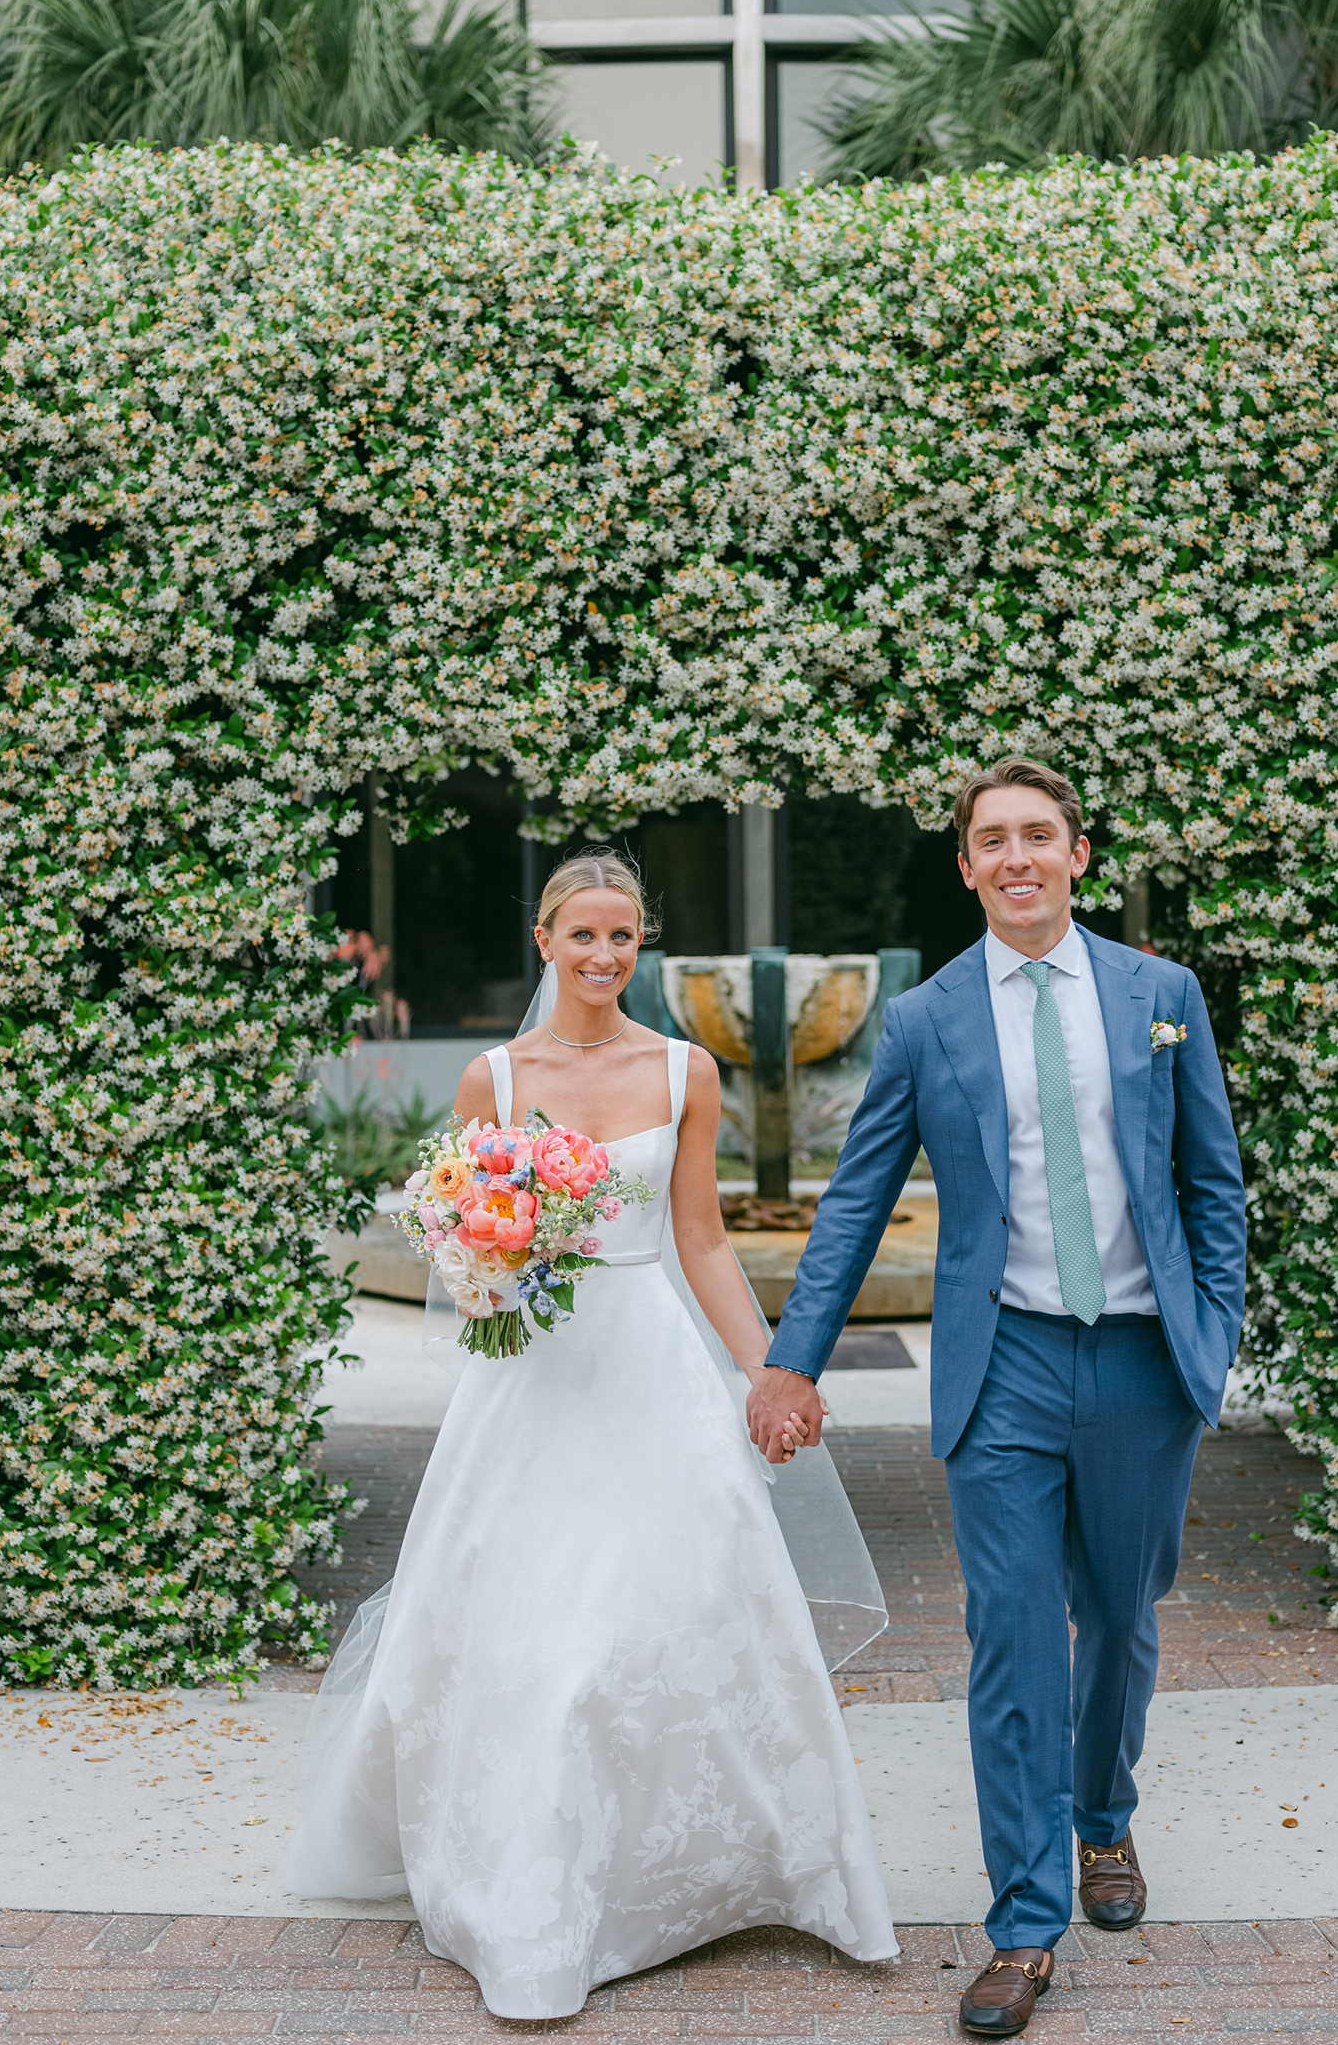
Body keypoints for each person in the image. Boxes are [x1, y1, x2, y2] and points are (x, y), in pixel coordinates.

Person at [290, 851, 896, 2020]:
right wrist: (493, 1261)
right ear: (544, 939)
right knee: (541, 1647)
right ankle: (534, 1902)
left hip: (654, 1373)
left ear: (640, 946)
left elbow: (704, 1239)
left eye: (625, 939)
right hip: (531, 1390)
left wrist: (769, 1366)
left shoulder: (685, 1069)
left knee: (677, 1612)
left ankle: (720, 1869)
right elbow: (455, 1257)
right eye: (585, 937)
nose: (606, 957)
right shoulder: (493, 1082)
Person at [747, 756, 1247, 2039]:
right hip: (1004, 1363)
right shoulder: (925, 1021)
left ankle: (1105, 1822)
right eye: (993, 841)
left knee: (1122, 1620)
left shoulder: (1162, 995)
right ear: (966, 866)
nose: (1018, 857)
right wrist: (793, 1356)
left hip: (1142, 1360)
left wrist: (1214, 1333)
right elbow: (858, 1195)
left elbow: (1212, 1187)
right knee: (1011, 1637)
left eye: (1041, 835)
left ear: (1079, 856)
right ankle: (1024, 1925)